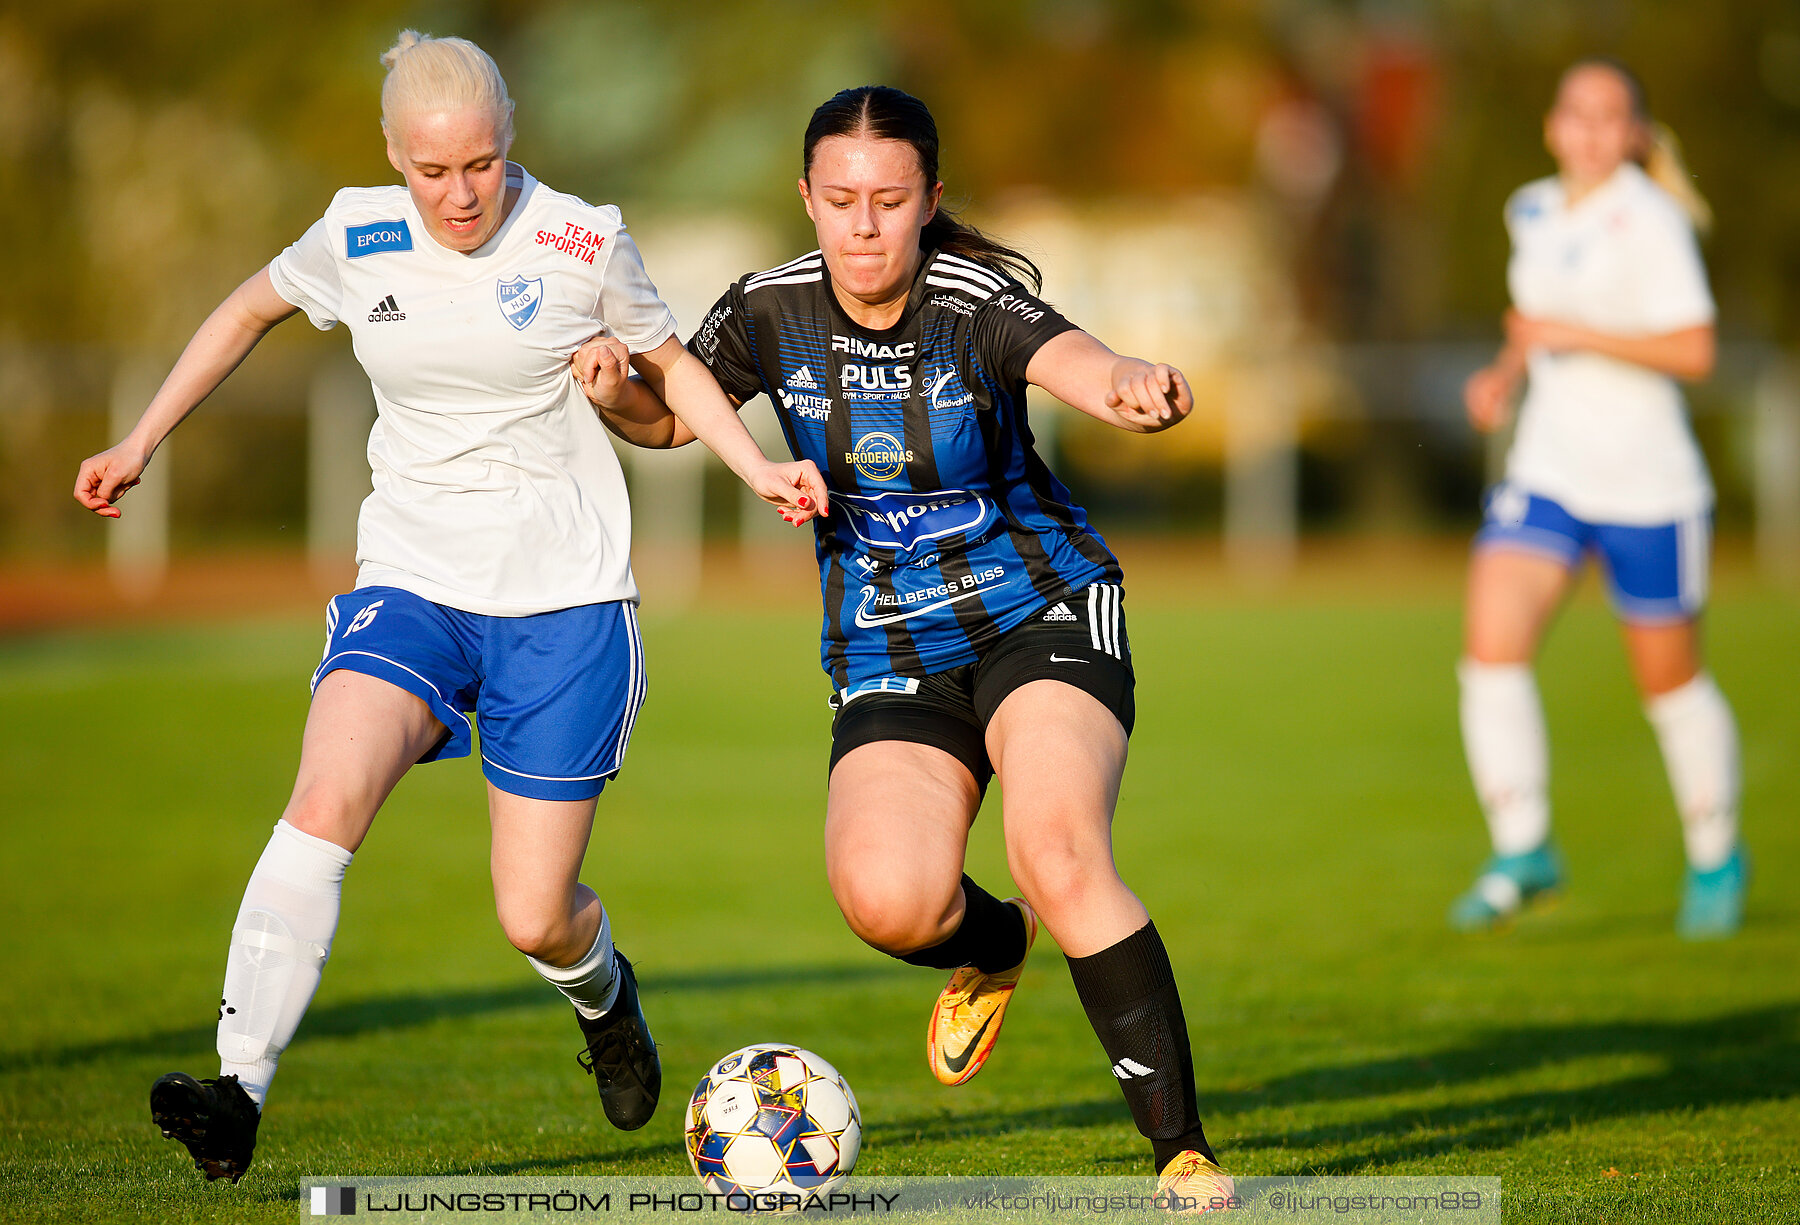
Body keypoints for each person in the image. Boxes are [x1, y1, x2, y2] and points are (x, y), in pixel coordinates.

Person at [73, 31, 826, 1183]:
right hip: (413, 579)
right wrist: (141, 440)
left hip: (562, 600)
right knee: (324, 795)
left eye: (480, 163)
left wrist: (756, 464)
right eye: (432, 171)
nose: (460, 193)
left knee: (533, 915)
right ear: (393, 155)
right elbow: (242, 312)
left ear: (508, 136)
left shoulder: (582, 237)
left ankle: (605, 998)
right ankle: (236, 1089)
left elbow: (672, 366)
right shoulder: (355, 230)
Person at [576, 84, 1232, 1210]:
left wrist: (1127, 383)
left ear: (930, 199)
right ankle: (996, 945)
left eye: (889, 200)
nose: (864, 225)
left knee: (1059, 849)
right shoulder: (768, 310)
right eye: (839, 201)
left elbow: (1074, 357)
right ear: (808, 199)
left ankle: (1183, 1152)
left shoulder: (974, 299)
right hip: (886, 643)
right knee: (888, 899)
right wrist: (612, 395)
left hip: (1042, 611)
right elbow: (674, 417)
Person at [1450, 57, 1746, 939]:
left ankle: (1716, 852)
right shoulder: (1530, 207)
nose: (1589, 130)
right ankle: (1524, 845)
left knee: (1670, 686)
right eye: (1576, 113)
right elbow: (1531, 320)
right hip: (1549, 472)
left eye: (1609, 116)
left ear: (1636, 134)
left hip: (1648, 485)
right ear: (1552, 125)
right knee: (1489, 644)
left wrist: (1576, 334)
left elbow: (1695, 351)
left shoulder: (1652, 221)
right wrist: (1503, 375)